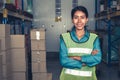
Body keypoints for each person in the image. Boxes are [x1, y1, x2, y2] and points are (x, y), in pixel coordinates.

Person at [59, 5, 102, 80]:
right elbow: (64, 61)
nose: (79, 21)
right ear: (72, 20)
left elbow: (97, 58)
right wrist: (87, 61)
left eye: (82, 17)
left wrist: (80, 58)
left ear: (86, 19)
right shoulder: (65, 38)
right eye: (76, 17)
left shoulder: (94, 38)